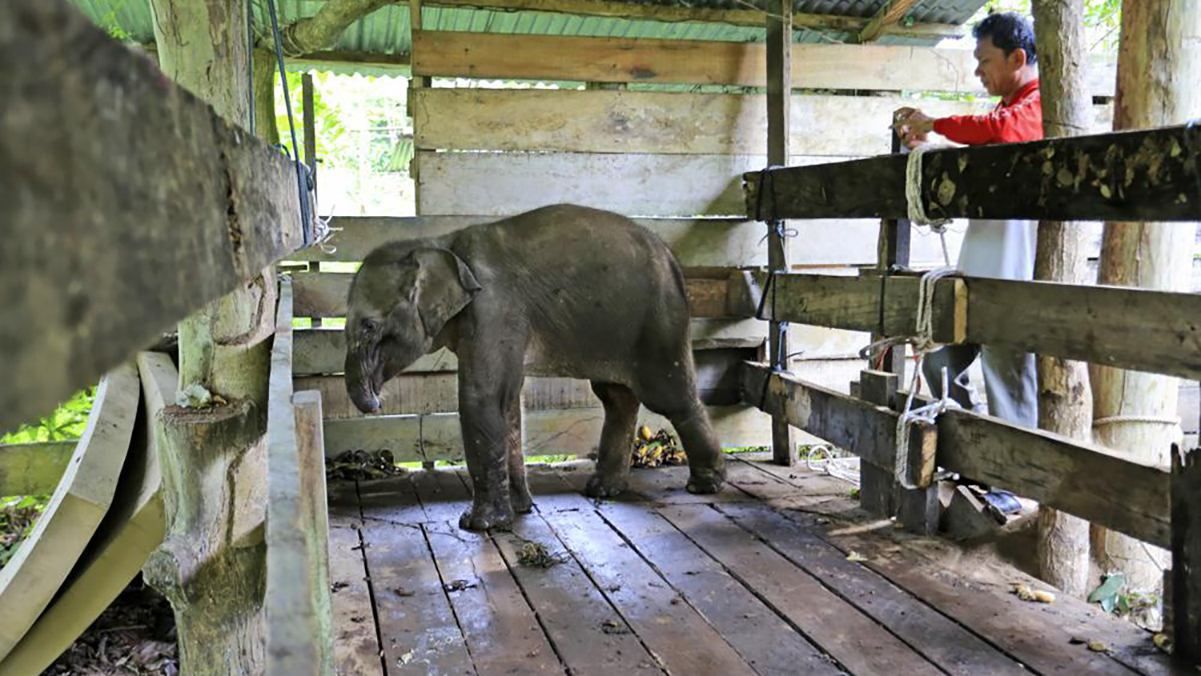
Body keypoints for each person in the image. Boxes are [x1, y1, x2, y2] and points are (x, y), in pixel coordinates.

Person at [892, 11, 1042, 515]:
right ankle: (977, 457)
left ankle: (1018, 483)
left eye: (985, 61)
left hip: (1014, 270)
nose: (979, 72)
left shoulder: (1037, 106)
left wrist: (935, 123)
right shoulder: (1007, 110)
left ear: (1017, 59)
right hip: (979, 266)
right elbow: (989, 135)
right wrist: (927, 147)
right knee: (940, 357)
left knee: (1008, 374)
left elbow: (1002, 131)